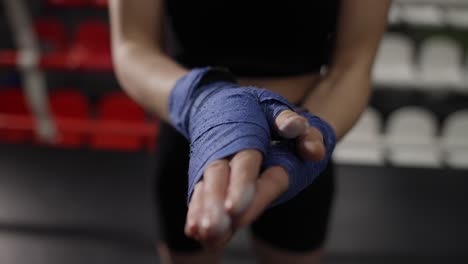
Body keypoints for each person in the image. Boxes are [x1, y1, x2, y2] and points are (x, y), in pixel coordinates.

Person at [108, 1, 391, 263]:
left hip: (303, 137)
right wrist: (209, 104)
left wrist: (317, 130)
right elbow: (132, 45)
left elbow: (354, 64)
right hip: (194, 133)